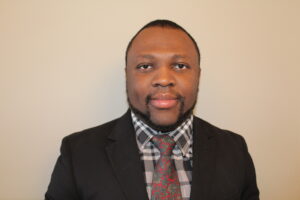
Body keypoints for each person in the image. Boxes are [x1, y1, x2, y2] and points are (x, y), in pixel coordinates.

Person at [45, 19, 259, 200]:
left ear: (198, 76)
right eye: (145, 66)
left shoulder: (235, 151)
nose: (164, 80)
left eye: (180, 66)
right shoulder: (78, 152)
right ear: (127, 76)